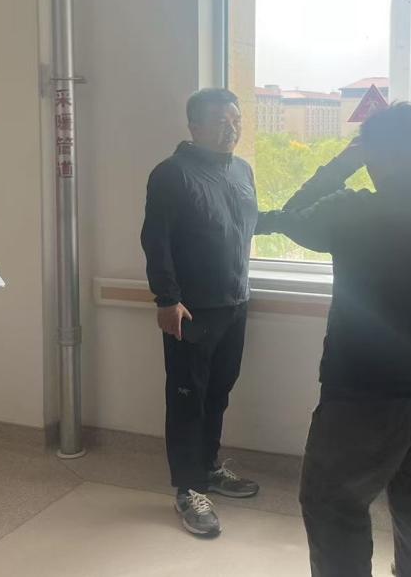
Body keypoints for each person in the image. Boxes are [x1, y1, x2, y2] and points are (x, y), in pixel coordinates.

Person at [256, 103, 411, 577]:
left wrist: (343, 163)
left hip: (362, 400)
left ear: (371, 155)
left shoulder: (353, 212)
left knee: (334, 507)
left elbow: (289, 215)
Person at [141, 88, 261, 538]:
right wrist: (166, 298)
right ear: (194, 126)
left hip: (234, 302)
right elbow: (156, 240)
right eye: (219, 121)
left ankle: (208, 467)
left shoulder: (242, 170)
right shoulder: (171, 174)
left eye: (236, 120)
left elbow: (246, 223)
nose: (231, 128)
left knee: (219, 392)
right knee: (187, 397)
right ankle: (188, 490)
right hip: (189, 310)